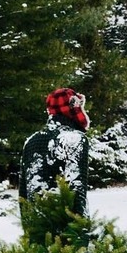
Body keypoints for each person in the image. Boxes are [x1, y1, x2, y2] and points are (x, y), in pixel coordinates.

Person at [19, 87, 90, 220]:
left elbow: (23, 193)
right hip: (68, 228)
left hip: (37, 225)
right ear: (73, 109)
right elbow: (77, 190)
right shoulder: (75, 139)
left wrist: (29, 230)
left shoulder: (32, 141)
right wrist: (81, 231)